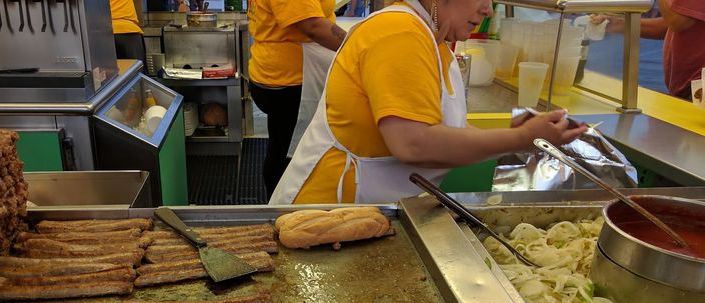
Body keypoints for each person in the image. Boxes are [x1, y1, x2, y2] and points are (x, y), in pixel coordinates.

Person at [269, 0, 586, 205]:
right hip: (330, 211)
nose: (488, 10)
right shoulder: (399, 32)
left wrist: (518, 137)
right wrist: (519, 138)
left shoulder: (433, 39)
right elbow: (414, 143)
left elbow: (446, 130)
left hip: (368, 210)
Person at [247, 0, 347, 195]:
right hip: (289, 80)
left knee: (280, 144)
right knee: (291, 154)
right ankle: (283, 206)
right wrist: (360, 45)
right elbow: (313, 26)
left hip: (279, 72)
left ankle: (277, 201)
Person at [594, 0, 705, 99]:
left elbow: (677, 21)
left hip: (698, 84)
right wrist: (620, 24)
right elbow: (680, 22)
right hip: (691, 86)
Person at [110, 0, 146, 68]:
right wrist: (140, 26)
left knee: (109, 75)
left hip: (103, 33)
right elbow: (137, 3)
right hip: (129, 31)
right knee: (135, 72)